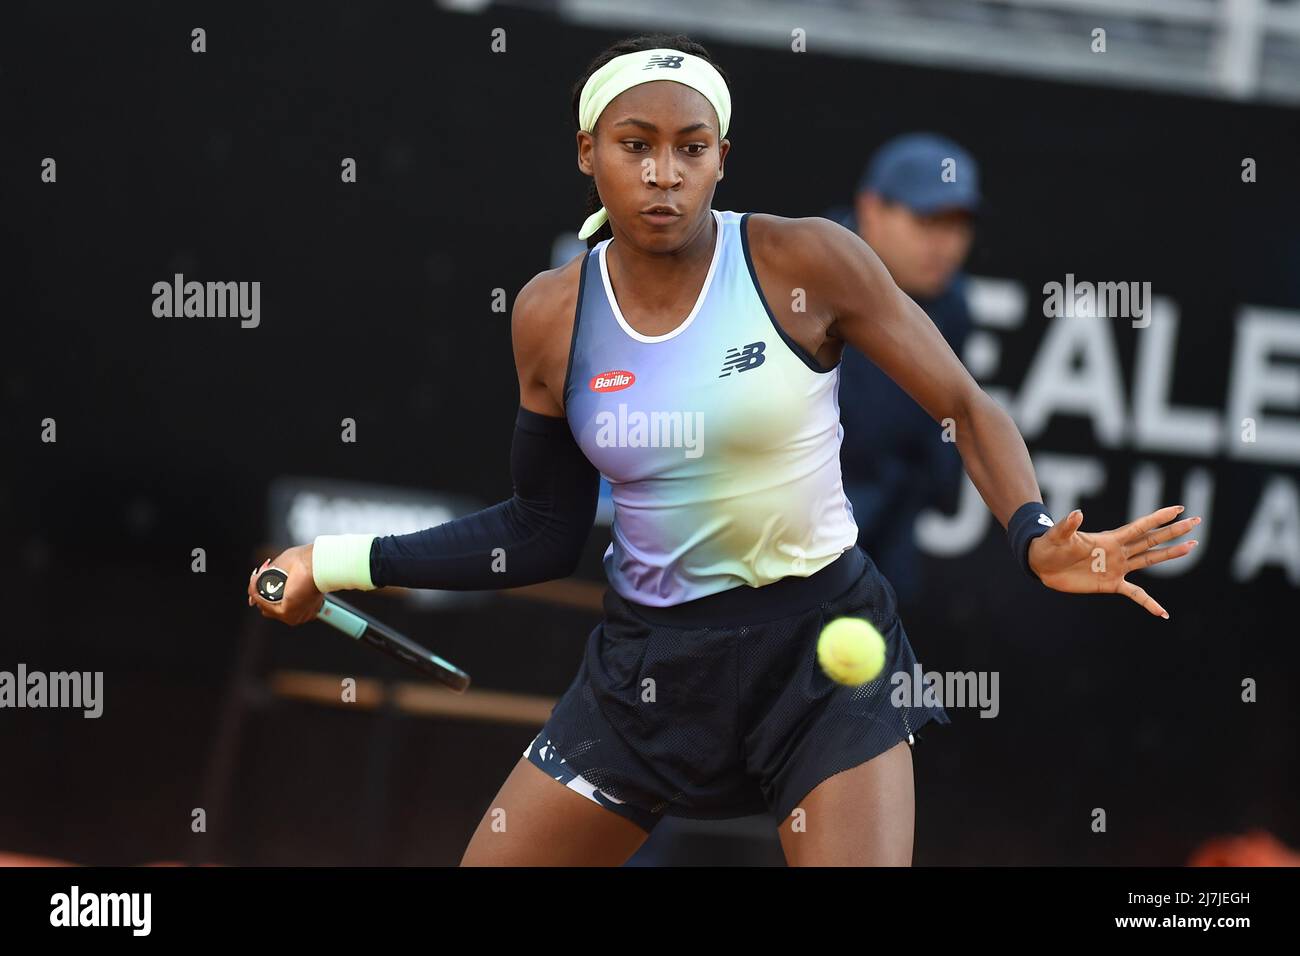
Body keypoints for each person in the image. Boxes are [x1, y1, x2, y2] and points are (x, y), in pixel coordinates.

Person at [246, 33, 1201, 867]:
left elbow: (962, 402)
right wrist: (329, 563)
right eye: (636, 147)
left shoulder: (805, 262)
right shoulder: (550, 318)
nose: (664, 173)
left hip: (827, 661)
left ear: (721, 159)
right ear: (589, 154)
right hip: (646, 672)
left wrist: (1033, 532)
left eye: (689, 149)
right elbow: (540, 532)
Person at [825, 133, 979, 606]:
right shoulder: (807, 275)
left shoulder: (952, 306)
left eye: (958, 226)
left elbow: (942, 431)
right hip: (784, 557)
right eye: (928, 221)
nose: (947, 246)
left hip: (885, 553)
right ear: (871, 209)